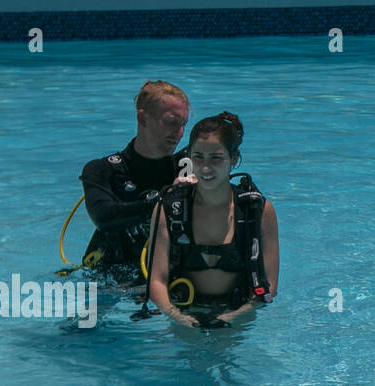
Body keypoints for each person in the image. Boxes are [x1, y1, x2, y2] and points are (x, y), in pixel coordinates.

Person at [146, 113, 279, 328]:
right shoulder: (169, 209)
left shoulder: (258, 211)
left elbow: (269, 286)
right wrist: (176, 317)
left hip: (238, 313)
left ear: (233, 159)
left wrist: (232, 318)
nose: (205, 167)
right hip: (180, 310)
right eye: (198, 157)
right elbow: (156, 281)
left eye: (216, 158)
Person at [78, 81, 191, 281]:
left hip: (167, 276)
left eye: (184, 124)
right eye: (172, 122)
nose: (180, 133)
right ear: (142, 118)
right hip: (110, 277)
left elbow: (220, 142)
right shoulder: (103, 170)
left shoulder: (186, 166)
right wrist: (165, 200)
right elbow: (103, 216)